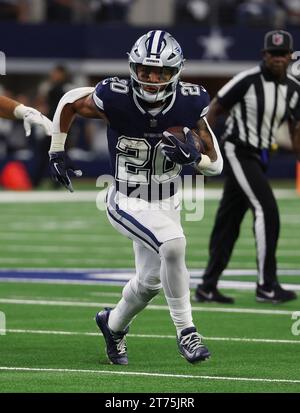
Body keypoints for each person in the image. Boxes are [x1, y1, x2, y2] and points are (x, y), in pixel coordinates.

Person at [48, 30, 223, 365]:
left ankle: (112, 325)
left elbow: (215, 165)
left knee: (149, 283)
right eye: (145, 70)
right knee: (173, 245)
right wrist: (57, 149)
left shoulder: (190, 101)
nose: (152, 78)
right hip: (126, 198)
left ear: (176, 72)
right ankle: (187, 332)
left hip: (167, 201)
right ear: (133, 68)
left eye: (160, 72)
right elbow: (69, 100)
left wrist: (193, 158)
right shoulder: (115, 95)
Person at [194, 30, 300, 305]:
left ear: (290, 56)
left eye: (282, 54)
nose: (277, 59)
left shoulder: (292, 88)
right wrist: (207, 147)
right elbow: (214, 108)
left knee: (228, 222)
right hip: (237, 150)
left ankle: (207, 286)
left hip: (260, 156)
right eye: (272, 54)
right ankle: (267, 285)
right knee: (267, 209)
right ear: (264, 55)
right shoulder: (247, 80)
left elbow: (294, 127)